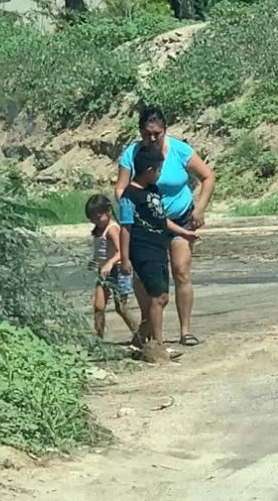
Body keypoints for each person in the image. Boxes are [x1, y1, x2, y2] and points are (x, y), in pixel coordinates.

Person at [115, 106, 215, 347]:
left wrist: (200, 208)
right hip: (146, 226)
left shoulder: (180, 150)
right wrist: (133, 206)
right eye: (147, 133)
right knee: (145, 278)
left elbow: (208, 177)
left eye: (157, 133)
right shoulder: (132, 154)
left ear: (165, 130)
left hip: (180, 219)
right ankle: (148, 323)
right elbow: (120, 188)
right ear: (140, 131)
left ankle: (185, 330)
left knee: (181, 271)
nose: (152, 138)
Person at [119, 145, 200, 362]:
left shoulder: (153, 191)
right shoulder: (130, 195)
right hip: (142, 249)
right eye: (158, 170)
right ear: (147, 170)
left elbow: (161, 220)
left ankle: (140, 342)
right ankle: (158, 346)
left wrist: (184, 233)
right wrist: (125, 258)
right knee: (158, 297)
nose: (160, 174)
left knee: (161, 298)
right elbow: (125, 227)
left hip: (158, 245)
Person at [85, 194, 138, 340]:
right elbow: (101, 250)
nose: (96, 221)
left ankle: (139, 334)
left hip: (118, 271)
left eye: (98, 217)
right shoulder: (99, 230)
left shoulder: (112, 229)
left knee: (121, 307)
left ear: (108, 212)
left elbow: (121, 252)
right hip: (103, 272)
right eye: (92, 219)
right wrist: (95, 261)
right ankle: (99, 337)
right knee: (98, 307)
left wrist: (110, 263)